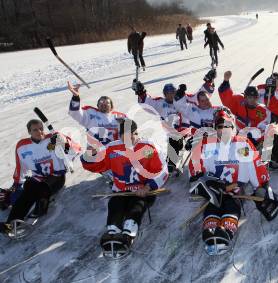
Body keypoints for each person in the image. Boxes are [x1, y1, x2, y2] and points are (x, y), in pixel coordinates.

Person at [188, 108, 278, 255]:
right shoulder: (206, 145)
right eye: (219, 126)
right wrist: (204, 181)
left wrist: (262, 186)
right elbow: (195, 167)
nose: (223, 129)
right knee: (212, 205)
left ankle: (226, 231)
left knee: (232, 204)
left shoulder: (242, 144)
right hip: (213, 189)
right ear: (214, 128)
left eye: (227, 126)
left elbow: (254, 166)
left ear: (233, 127)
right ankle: (210, 230)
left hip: (235, 189)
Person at [81, 118, 168, 253]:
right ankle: (113, 231)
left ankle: (128, 234)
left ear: (136, 132)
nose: (127, 138)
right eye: (123, 135)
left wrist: (148, 187)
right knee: (115, 204)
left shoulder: (148, 147)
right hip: (121, 190)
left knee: (137, 205)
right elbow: (94, 165)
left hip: (143, 191)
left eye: (130, 134)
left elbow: (162, 170)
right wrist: (88, 155)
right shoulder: (112, 148)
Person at [0, 119, 81, 236]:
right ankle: (10, 224)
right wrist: (16, 184)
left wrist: (64, 142)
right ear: (29, 132)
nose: (39, 131)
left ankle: (39, 210)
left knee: (42, 188)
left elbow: (75, 151)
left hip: (56, 177)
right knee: (26, 193)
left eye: (41, 128)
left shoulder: (53, 139)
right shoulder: (22, 146)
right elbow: (20, 167)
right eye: (35, 129)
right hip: (37, 178)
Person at [218, 71, 271, 148]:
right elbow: (227, 100)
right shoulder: (239, 101)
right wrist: (226, 81)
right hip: (237, 133)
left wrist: (251, 134)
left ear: (257, 98)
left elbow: (264, 128)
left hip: (253, 139)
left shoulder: (263, 111)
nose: (252, 100)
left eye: (254, 97)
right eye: (249, 97)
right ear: (245, 97)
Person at [67, 81, 126, 147]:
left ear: (112, 106)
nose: (104, 104)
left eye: (107, 103)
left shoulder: (120, 117)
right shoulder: (90, 114)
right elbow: (75, 112)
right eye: (101, 102)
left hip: (116, 151)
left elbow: (130, 135)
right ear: (97, 105)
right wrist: (75, 97)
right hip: (95, 152)